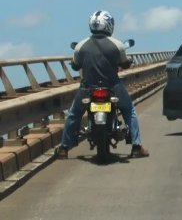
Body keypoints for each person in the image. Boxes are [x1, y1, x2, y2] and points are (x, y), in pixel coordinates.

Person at [55, 10, 150, 159]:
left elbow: (75, 65)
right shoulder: (117, 44)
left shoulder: (81, 46)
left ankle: (63, 148)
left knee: (74, 114)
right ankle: (136, 146)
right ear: (109, 25)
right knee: (129, 111)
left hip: (87, 87)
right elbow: (124, 63)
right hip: (113, 86)